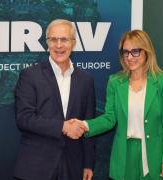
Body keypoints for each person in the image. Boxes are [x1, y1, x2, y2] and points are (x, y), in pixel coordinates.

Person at [69, 30, 163, 180]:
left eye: (135, 51)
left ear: (146, 52)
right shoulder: (115, 81)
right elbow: (109, 118)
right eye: (126, 52)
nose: (130, 57)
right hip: (124, 154)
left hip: (153, 155)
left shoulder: (162, 81)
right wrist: (84, 125)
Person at [13, 19, 95, 180]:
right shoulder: (30, 75)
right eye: (53, 39)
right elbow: (24, 118)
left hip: (73, 166)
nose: (59, 45)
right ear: (47, 43)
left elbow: (88, 122)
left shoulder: (86, 79)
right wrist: (62, 126)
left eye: (64, 39)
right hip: (36, 167)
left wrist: (88, 163)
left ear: (73, 43)